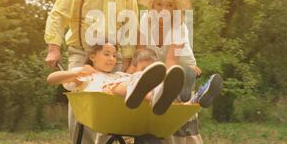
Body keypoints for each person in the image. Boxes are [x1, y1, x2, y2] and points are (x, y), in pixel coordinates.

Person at [43, 0, 138, 144]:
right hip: (81, 52)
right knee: (80, 103)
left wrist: (127, 59)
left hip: (111, 54)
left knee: (111, 105)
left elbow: (131, 25)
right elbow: (58, 15)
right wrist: (53, 47)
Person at [137, 0, 223, 144]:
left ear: (175, 10)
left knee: (173, 88)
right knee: (161, 90)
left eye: (170, 5)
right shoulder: (145, 20)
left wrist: (168, 78)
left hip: (181, 63)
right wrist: (145, 74)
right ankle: (196, 97)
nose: (163, 9)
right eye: (159, 4)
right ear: (152, 7)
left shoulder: (178, 24)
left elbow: (171, 60)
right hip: (157, 62)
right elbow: (142, 53)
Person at [47, 44, 187, 115]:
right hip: (103, 107)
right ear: (93, 57)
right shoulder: (86, 75)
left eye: (114, 55)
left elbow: (140, 80)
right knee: (118, 85)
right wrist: (77, 73)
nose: (111, 59)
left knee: (135, 78)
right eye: (107, 54)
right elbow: (51, 79)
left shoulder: (118, 75)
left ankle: (161, 95)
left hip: (127, 109)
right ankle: (149, 94)